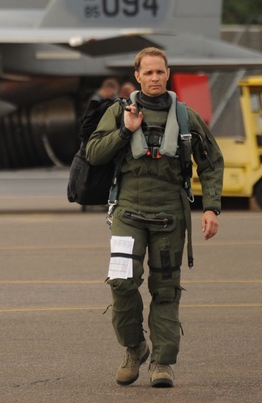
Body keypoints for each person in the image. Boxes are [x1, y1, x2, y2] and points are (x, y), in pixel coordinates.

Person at [85, 47, 223, 388]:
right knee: (121, 283)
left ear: (167, 72)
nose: (154, 78)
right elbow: (93, 152)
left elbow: (211, 162)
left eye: (160, 72)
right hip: (128, 213)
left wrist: (211, 207)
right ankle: (134, 349)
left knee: (166, 290)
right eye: (148, 73)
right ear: (137, 76)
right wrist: (124, 131)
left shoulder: (186, 118)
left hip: (169, 216)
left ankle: (162, 363)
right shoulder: (120, 112)